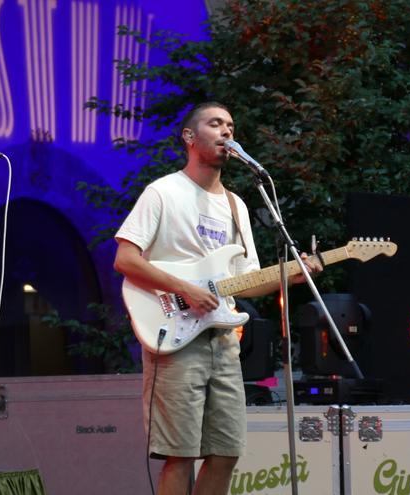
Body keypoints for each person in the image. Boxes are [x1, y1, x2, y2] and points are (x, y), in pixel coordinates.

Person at [114, 102, 322, 495]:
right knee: (181, 455)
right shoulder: (163, 192)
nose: (227, 131)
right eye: (216, 124)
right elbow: (125, 258)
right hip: (176, 337)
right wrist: (185, 289)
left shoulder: (236, 205)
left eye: (231, 124)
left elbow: (243, 281)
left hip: (223, 340)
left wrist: (292, 275)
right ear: (190, 138)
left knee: (226, 451)